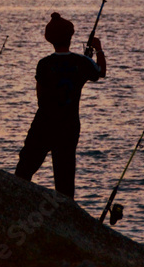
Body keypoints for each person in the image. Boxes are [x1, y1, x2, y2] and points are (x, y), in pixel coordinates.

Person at [14, 12, 106, 199]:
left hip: (43, 124)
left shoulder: (44, 64)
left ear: (50, 39)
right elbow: (100, 72)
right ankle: (64, 215)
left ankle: (15, 204)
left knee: (24, 170)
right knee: (65, 180)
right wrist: (98, 49)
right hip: (69, 127)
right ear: (70, 38)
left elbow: (40, 98)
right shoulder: (82, 62)